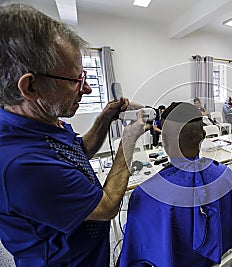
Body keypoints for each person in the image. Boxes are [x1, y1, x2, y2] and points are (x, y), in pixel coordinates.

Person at [0, 4, 147, 266]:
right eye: (75, 81)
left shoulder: (41, 118)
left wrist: (104, 119)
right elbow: (109, 205)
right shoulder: (20, 164)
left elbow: (77, 152)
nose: (88, 89)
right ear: (31, 86)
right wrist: (128, 141)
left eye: (85, 76)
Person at [119, 102, 232, 267]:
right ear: (202, 136)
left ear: (165, 141)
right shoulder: (225, 174)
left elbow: (138, 249)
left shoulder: (146, 194)